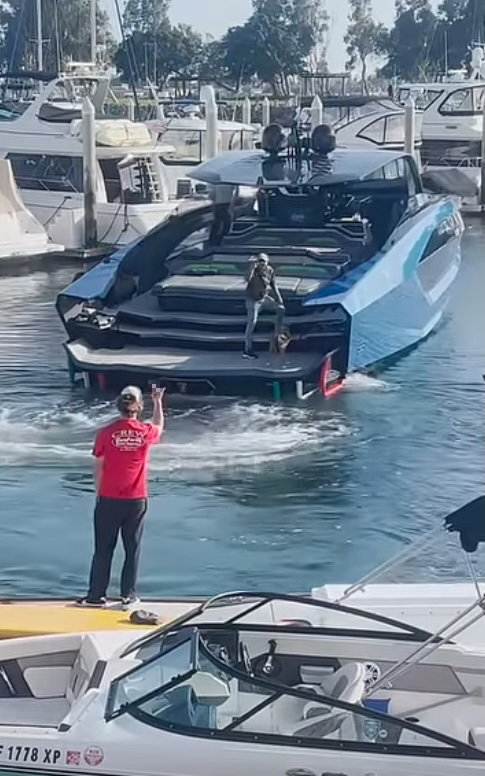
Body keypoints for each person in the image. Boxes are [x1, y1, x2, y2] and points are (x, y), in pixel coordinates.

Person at [77, 385, 164, 608]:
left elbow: (99, 467)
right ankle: (128, 596)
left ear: (118, 407)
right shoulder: (145, 431)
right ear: (138, 408)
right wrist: (158, 402)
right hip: (136, 500)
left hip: (108, 499)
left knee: (103, 549)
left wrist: (99, 494)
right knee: (132, 549)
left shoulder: (105, 433)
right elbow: (159, 426)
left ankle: (95, 597)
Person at [243, 253, 285, 359]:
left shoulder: (270, 270)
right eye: (260, 261)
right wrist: (252, 267)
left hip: (264, 298)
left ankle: (277, 335)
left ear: (267, 261)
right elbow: (247, 279)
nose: (262, 263)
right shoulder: (254, 270)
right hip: (252, 300)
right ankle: (248, 349)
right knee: (252, 323)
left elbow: (273, 284)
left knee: (280, 309)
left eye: (263, 261)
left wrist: (279, 298)